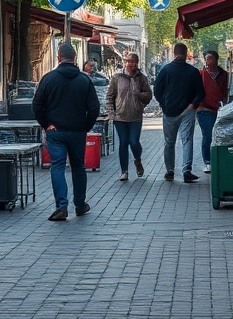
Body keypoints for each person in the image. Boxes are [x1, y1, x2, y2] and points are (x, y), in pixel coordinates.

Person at [32, 40, 100, 221]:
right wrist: (85, 125)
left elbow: (37, 105)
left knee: (58, 166)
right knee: (78, 166)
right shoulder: (84, 79)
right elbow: (94, 107)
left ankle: (61, 205)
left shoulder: (48, 79)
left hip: (56, 131)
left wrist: (46, 123)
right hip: (77, 130)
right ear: (75, 58)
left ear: (59, 57)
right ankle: (80, 205)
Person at [153, 42, 205, 183]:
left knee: (169, 142)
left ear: (174, 53)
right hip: (187, 110)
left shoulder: (165, 70)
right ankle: (186, 170)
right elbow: (200, 93)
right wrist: (192, 105)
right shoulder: (193, 71)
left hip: (169, 111)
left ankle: (170, 171)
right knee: (187, 140)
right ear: (186, 53)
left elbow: (157, 90)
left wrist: (164, 105)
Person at [105, 52, 152, 182]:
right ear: (125, 63)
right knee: (123, 142)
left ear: (137, 64)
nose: (131, 65)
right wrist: (111, 112)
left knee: (134, 141)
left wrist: (139, 97)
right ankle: (124, 171)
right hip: (120, 117)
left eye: (134, 62)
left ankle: (138, 160)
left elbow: (148, 96)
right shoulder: (117, 78)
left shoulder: (141, 78)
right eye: (129, 62)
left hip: (136, 116)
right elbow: (110, 97)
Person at [197, 50, 229, 173]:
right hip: (204, 109)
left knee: (220, 135)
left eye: (210, 59)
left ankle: (219, 159)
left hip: (220, 109)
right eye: (206, 59)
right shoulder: (201, 74)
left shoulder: (224, 75)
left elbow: (226, 90)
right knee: (208, 135)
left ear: (216, 60)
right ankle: (207, 161)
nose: (207, 61)